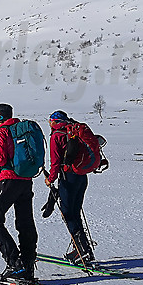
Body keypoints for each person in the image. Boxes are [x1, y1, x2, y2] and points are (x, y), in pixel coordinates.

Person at [0, 103, 38, 281]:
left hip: (10, 180)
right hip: (26, 180)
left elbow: (0, 159)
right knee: (25, 222)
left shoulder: (2, 132)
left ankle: (14, 263)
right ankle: (28, 266)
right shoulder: (20, 129)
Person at [44, 110, 95, 264]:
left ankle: (82, 251)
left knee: (68, 213)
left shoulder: (57, 136)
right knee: (75, 212)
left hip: (68, 177)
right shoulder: (74, 130)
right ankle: (83, 249)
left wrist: (50, 179)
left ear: (54, 121)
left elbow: (55, 162)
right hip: (81, 176)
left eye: (50, 120)